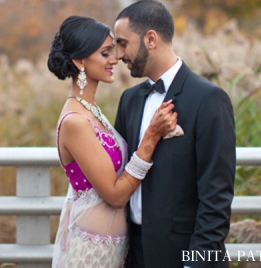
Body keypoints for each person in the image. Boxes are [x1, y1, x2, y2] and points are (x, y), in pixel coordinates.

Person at [47, 15, 180, 268]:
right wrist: (151, 136)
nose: (115, 59)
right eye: (105, 53)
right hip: (92, 252)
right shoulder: (75, 120)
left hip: (115, 248)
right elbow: (116, 195)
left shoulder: (91, 110)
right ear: (79, 61)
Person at [113, 0, 236, 268]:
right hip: (133, 253)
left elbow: (216, 198)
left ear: (151, 39)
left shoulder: (209, 99)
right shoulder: (129, 100)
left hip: (182, 254)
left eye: (123, 43)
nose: (118, 54)